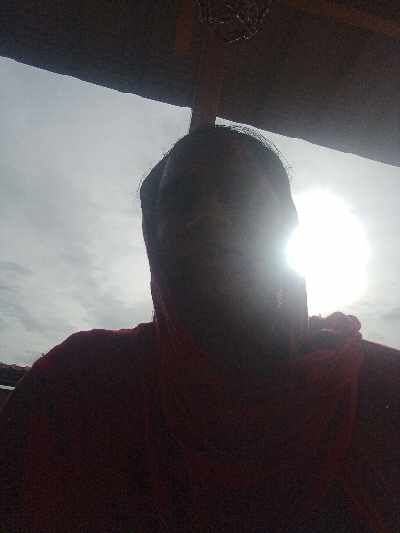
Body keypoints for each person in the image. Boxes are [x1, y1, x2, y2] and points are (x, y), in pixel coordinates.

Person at [0, 124, 399, 532]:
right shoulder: (78, 385)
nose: (208, 218)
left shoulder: (383, 391)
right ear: (153, 239)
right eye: (180, 201)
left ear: (286, 227)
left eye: (238, 194)